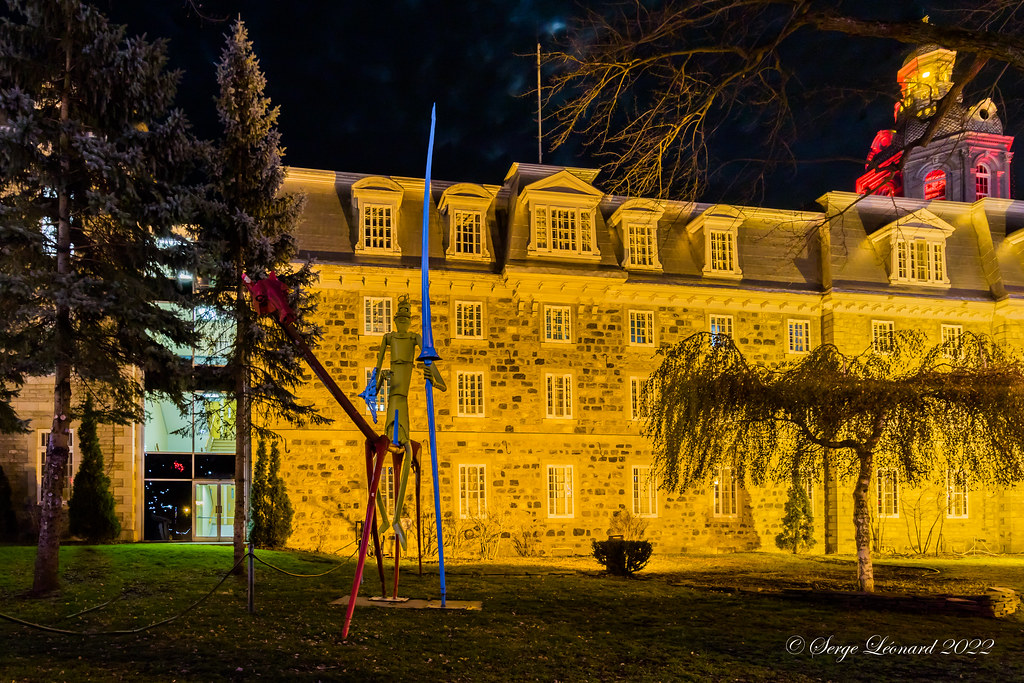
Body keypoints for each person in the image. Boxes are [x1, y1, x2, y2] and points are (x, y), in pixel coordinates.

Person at [369, 295, 446, 548]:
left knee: (407, 452)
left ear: (409, 320)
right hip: (392, 400)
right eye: (399, 316)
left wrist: (432, 376)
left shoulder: (415, 339)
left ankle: (397, 517)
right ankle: (382, 517)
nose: (402, 320)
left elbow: (436, 375)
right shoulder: (387, 338)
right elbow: (377, 371)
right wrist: (375, 385)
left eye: (406, 316)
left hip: (402, 402)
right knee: (375, 460)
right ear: (395, 320)